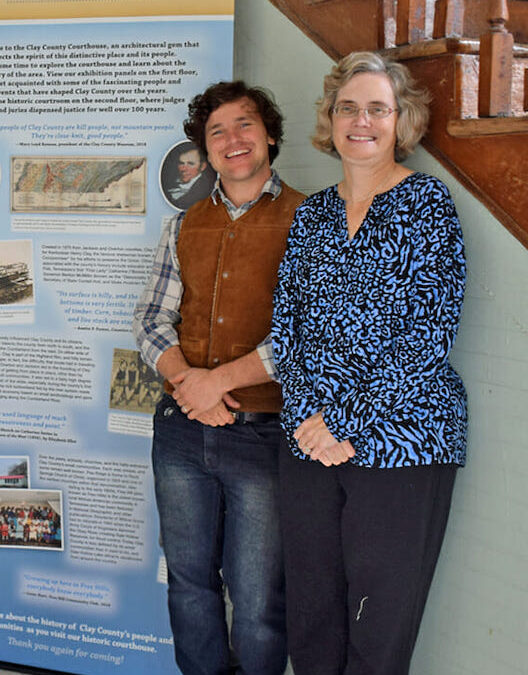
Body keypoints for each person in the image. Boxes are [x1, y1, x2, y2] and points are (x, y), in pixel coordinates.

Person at [272, 51, 467, 675]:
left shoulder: (427, 206)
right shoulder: (313, 214)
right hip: (307, 438)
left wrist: (345, 421)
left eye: (377, 108)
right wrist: (310, 416)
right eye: (347, 108)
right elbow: (287, 329)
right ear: (329, 120)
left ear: (401, 120)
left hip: (404, 439)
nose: (361, 120)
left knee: (376, 624)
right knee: (310, 616)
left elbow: (427, 336)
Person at [133, 80, 305, 675]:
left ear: (269, 135)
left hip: (265, 434)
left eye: (244, 125)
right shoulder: (184, 225)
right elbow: (151, 319)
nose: (233, 140)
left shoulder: (310, 218)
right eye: (217, 132)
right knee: (187, 583)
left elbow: (307, 333)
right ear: (204, 152)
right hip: (181, 433)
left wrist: (216, 384)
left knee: (259, 600)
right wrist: (190, 386)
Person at [163, 142, 215, 211]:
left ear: (202, 166)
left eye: (190, 164)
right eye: (181, 163)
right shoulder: (172, 184)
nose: (184, 169)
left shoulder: (203, 189)